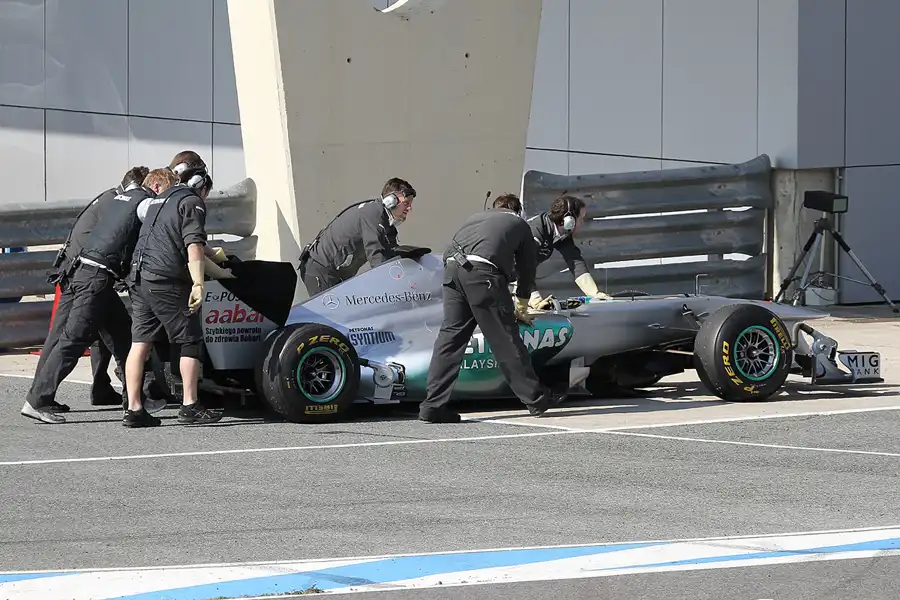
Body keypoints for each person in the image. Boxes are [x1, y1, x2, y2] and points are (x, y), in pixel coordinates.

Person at [20, 167, 155, 424]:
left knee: (117, 330)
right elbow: (120, 240)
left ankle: (129, 394)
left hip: (79, 272)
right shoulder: (118, 204)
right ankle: (38, 397)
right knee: (74, 337)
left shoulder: (110, 199)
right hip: (86, 276)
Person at [418, 193, 565, 423]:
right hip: (483, 276)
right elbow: (527, 271)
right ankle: (537, 399)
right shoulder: (520, 224)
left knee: (450, 340)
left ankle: (432, 405)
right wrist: (522, 307)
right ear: (519, 211)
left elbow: (449, 251)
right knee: (505, 339)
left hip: (452, 271)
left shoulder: (476, 218)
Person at [122, 165, 233, 428]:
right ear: (200, 185)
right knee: (189, 340)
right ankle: (190, 406)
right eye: (207, 191)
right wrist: (198, 283)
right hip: (166, 280)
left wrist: (214, 259)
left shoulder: (158, 201)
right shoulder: (192, 201)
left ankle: (134, 409)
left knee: (140, 342)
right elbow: (193, 243)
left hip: (139, 278)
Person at [299, 177, 415, 295]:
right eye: (406, 203)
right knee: (334, 313)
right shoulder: (373, 214)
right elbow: (377, 258)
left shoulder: (385, 222)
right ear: (391, 200)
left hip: (333, 273)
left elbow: (391, 255)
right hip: (320, 270)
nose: (409, 208)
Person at [523, 194, 611, 309]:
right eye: (581, 219)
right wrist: (535, 298)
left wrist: (594, 293)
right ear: (570, 220)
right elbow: (522, 267)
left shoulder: (559, 234)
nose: (582, 223)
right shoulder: (536, 231)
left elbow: (575, 262)